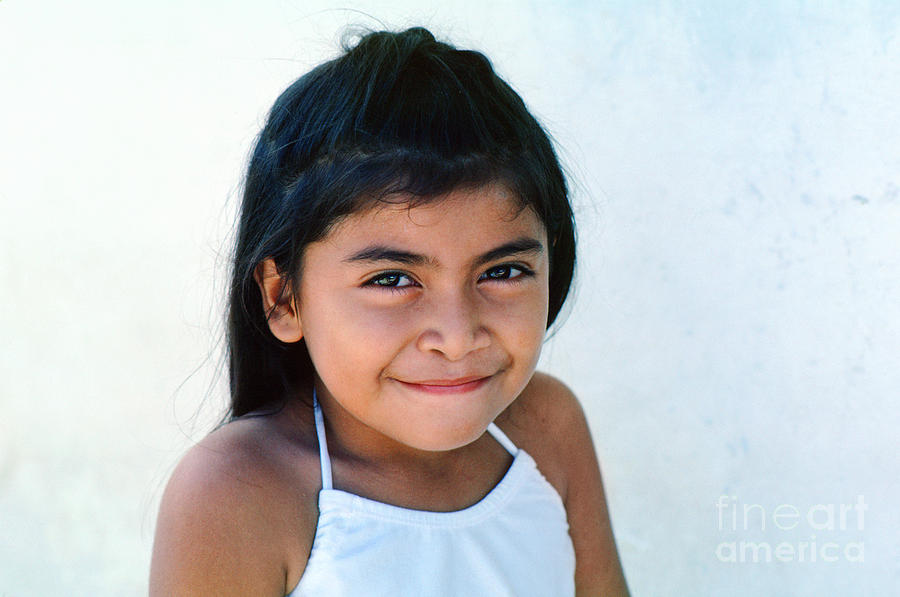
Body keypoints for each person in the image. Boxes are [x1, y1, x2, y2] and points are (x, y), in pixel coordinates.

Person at [150, 26, 630, 596]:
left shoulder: (547, 428)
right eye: (392, 279)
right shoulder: (237, 492)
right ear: (285, 297)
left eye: (501, 272)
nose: (456, 338)